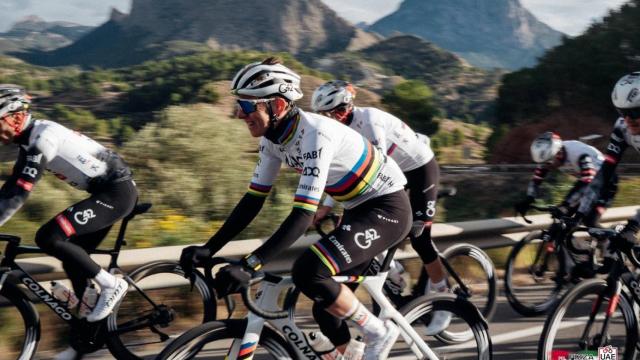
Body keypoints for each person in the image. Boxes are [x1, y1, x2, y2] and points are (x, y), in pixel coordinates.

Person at [180, 58, 411, 360]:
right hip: (356, 209)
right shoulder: (272, 140)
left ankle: (378, 332)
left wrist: (250, 265)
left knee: (309, 271)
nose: (239, 114)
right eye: (239, 105)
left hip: (387, 209)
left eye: (248, 107)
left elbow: (303, 215)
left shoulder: (316, 133)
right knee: (326, 310)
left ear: (276, 106)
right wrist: (210, 248)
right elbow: (253, 201)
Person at [0, 85, 136, 358]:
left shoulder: (42, 139)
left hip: (116, 193)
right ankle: (82, 344)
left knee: (49, 237)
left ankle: (112, 285)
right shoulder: (30, 139)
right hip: (105, 193)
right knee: (72, 257)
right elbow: (10, 187)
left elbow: (20, 191)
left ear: (15, 117)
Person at [310, 80, 450, 335]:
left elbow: (375, 169)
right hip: (393, 177)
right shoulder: (338, 131)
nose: (330, 119)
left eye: (334, 112)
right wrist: (326, 206)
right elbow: (339, 173)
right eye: (324, 115)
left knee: (420, 238)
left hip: (419, 170)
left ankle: (444, 296)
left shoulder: (369, 121)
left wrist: (341, 209)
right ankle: (395, 271)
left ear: (348, 107)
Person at [575, 72, 640, 251]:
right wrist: (580, 211)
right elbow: (605, 172)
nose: (628, 120)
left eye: (635, 112)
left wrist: (633, 226)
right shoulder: (621, 127)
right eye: (623, 112)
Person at [515, 131, 618, 227]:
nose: (546, 167)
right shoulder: (550, 156)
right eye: (542, 163)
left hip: (606, 183)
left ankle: (608, 243)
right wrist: (528, 199)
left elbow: (588, 182)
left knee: (589, 221)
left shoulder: (580, 154)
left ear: (558, 153)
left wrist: (566, 205)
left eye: (548, 163)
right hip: (587, 180)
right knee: (562, 218)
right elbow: (536, 179)